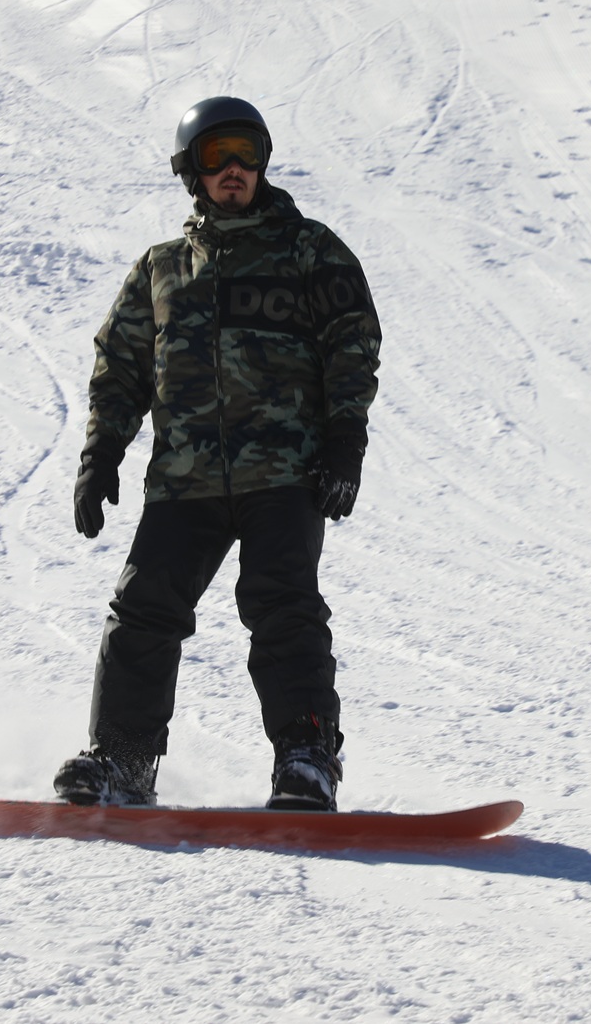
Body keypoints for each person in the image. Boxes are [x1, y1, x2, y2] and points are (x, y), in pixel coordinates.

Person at [54, 96, 382, 811]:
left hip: (285, 472)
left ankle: (307, 759)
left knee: (283, 607)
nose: (234, 169)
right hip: (185, 477)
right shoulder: (162, 268)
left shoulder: (309, 249)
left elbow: (352, 344)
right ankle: (123, 759)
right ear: (190, 172)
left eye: (247, 153)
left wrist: (345, 441)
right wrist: (100, 454)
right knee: (143, 608)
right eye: (216, 156)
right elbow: (121, 366)